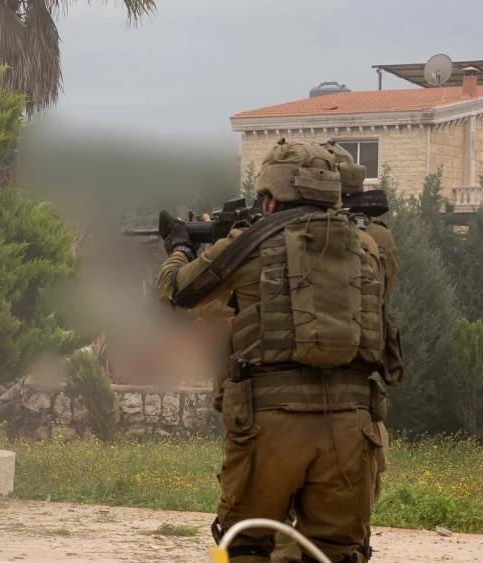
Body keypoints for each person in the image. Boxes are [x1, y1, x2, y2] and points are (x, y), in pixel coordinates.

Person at [155, 140, 397, 563]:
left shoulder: (251, 243)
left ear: (269, 199)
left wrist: (179, 249)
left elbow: (176, 292)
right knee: (338, 552)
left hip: (272, 426)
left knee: (248, 545)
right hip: (353, 427)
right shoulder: (369, 248)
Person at [270, 141, 401, 562]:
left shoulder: (357, 238)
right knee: (340, 529)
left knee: (293, 534)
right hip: (351, 406)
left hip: (295, 405)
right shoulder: (372, 237)